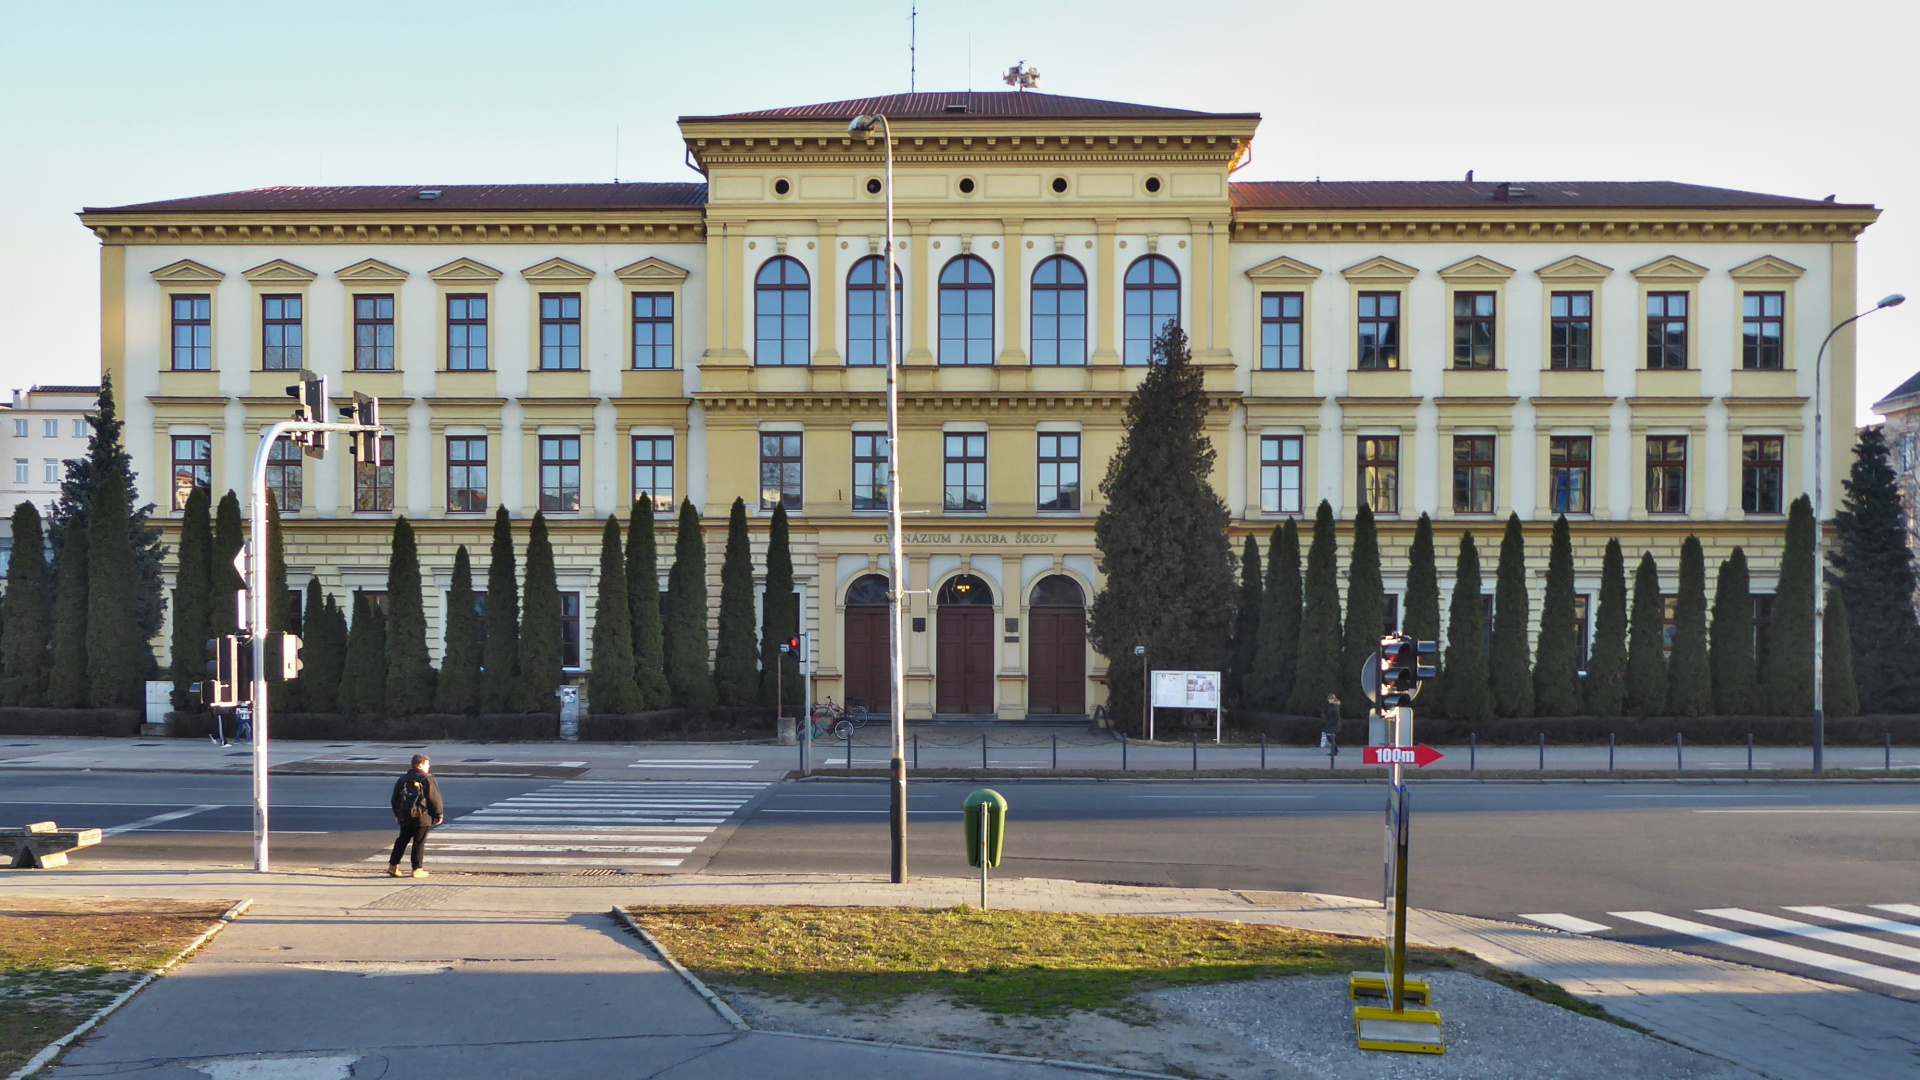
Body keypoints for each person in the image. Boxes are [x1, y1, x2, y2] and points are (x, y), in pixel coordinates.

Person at [387, 754, 444, 878]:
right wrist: (438, 814)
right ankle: (417, 868)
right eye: (427, 763)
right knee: (419, 841)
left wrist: (397, 813)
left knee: (402, 839)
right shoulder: (427, 779)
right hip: (422, 815)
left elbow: (395, 798)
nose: (429, 766)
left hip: (405, 814)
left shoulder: (403, 779)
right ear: (420, 764)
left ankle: (393, 865)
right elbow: (434, 798)